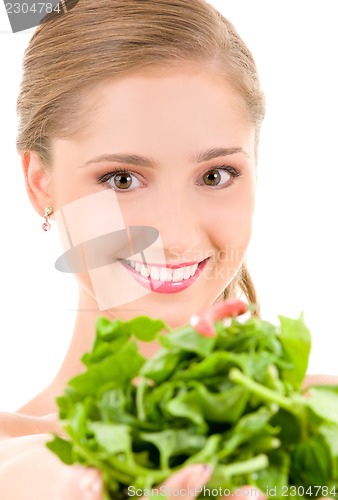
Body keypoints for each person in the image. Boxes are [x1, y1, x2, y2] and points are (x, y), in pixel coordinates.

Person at [0, 0, 336, 498]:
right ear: (40, 183)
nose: (175, 236)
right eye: (122, 178)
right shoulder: (23, 466)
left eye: (215, 176)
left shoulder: (322, 424)